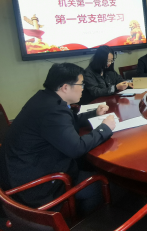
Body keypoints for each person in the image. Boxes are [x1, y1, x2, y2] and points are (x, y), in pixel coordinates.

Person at [0, 63, 116, 213]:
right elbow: (76, 148)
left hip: (21, 170)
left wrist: (94, 114)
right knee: (103, 184)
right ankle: (79, 222)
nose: (83, 88)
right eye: (81, 84)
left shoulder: (45, 98)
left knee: (89, 165)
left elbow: (66, 123)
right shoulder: (53, 111)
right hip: (35, 186)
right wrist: (104, 128)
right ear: (65, 87)